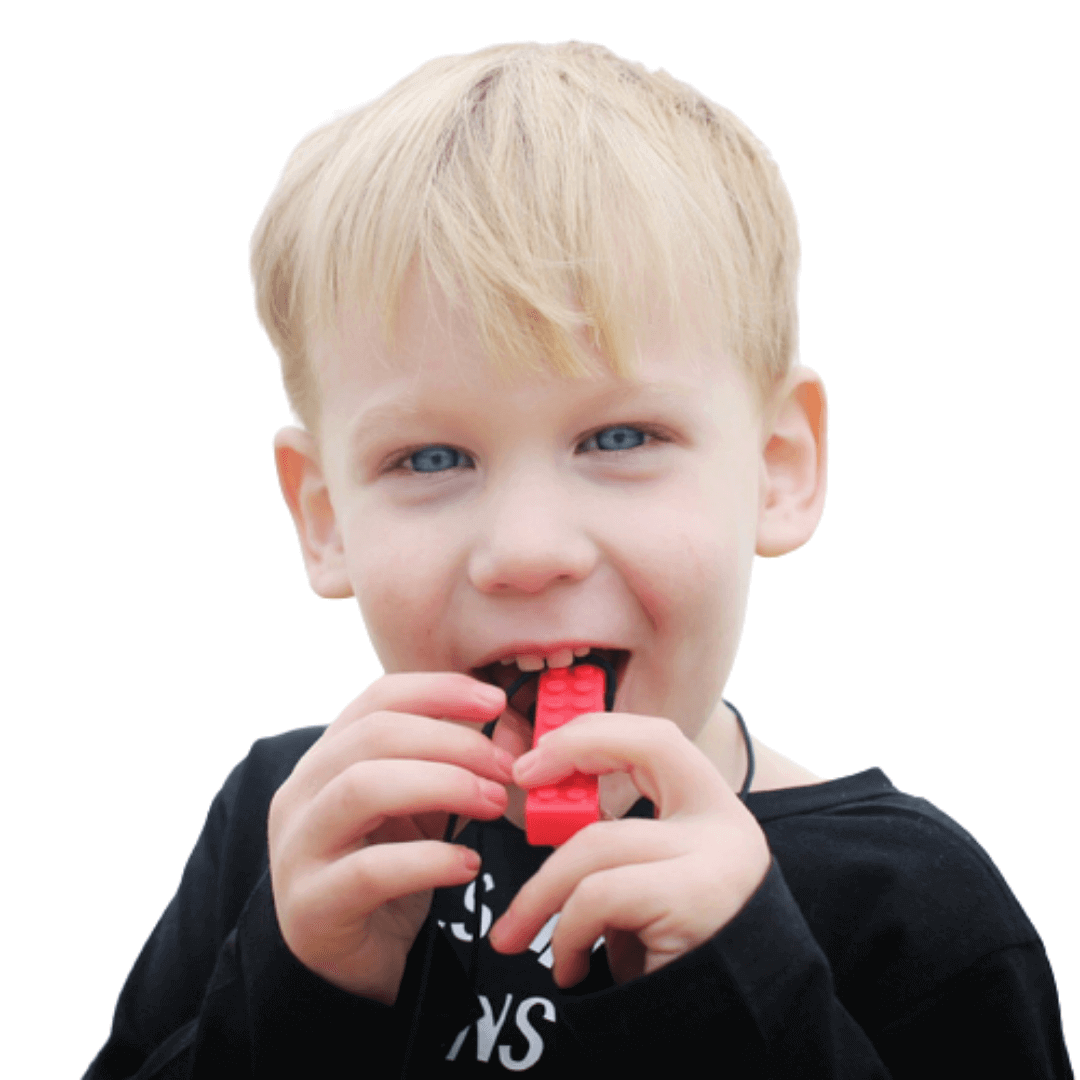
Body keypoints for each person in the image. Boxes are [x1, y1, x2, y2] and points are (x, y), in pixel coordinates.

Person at [83, 41, 1073, 1078]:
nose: (527, 551)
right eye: (430, 456)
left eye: (619, 438)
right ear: (323, 517)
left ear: (779, 468)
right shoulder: (287, 828)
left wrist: (746, 991)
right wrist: (300, 992)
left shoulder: (915, 906)